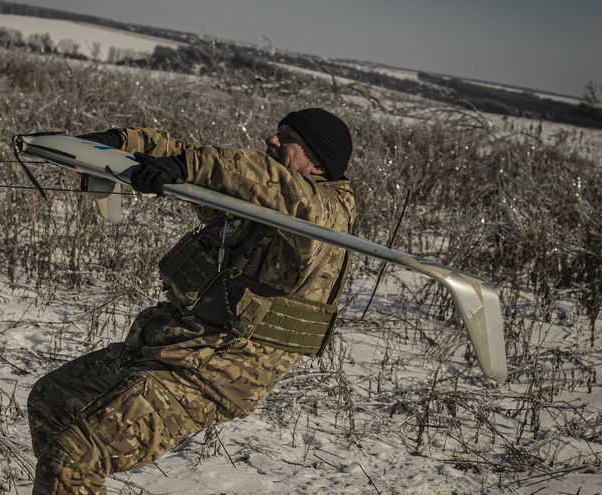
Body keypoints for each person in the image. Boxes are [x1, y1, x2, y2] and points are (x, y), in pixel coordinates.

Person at [27, 108, 356, 493]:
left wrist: (186, 166)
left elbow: (252, 173)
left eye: (287, 139)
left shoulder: (325, 214)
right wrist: (122, 143)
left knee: (73, 459)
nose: (272, 140)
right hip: (171, 346)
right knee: (52, 398)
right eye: (277, 132)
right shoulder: (263, 195)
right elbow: (191, 154)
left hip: (214, 373)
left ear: (317, 163)